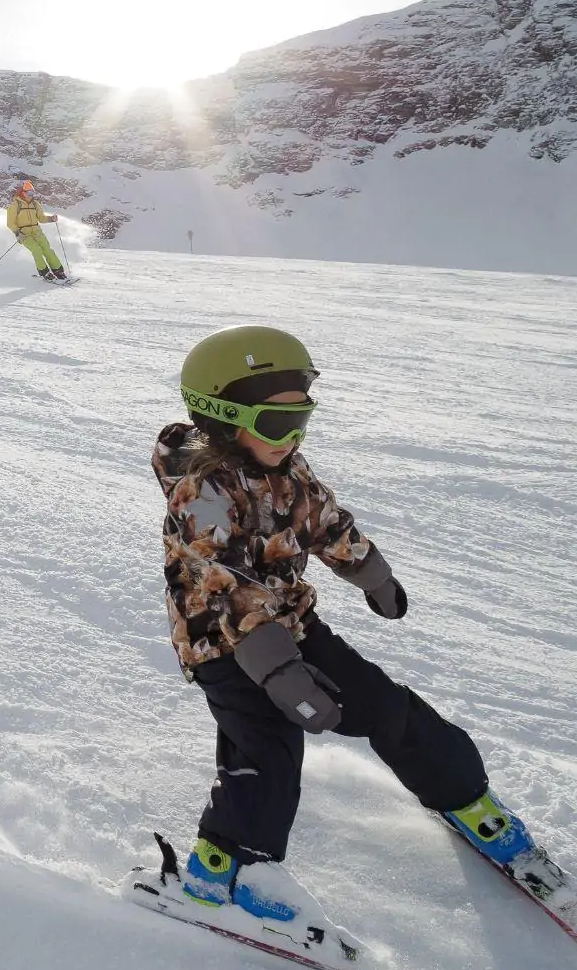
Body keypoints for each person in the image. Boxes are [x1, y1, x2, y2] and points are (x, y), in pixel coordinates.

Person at [151, 324, 536, 922]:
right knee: (269, 750)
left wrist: (372, 575)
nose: (293, 436)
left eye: (302, 418)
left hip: (295, 626)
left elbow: (327, 523)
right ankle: (225, 868)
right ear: (224, 417)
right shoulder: (198, 494)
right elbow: (222, 581)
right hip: (225, 646)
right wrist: (276, 669)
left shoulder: (289, 469)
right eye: (277, 424)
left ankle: (464, 797)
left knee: (389, 708)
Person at [6, 180, 67, 281]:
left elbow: (41, 218)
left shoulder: (35, 204)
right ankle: (45, 272)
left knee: (47, 250)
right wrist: (17, 233)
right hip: (24, 234)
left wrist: (51, 219)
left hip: (37, 231)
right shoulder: (15, 206)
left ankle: (58, 271)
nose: (31, 195)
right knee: (36, 250)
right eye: (29, 193)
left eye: (33, 193)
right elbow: (10, 223)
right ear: (23, 193)